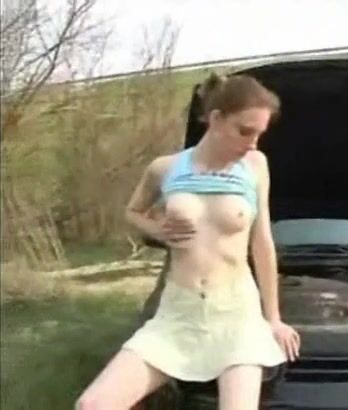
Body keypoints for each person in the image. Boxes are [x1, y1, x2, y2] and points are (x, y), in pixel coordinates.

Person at [75, 73, 301, 410]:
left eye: (259, 134)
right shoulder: (164, 168)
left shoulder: (255, 166)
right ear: (216, 119)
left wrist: (274, 318)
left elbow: (261, 241)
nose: (253, 143)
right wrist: (156, 230)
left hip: (236, 315)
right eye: (245, 131)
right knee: (93, 405)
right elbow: (132, 212)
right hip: (177, 314)